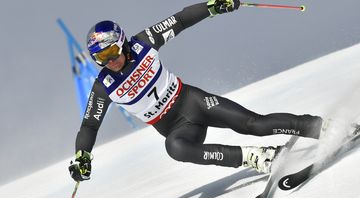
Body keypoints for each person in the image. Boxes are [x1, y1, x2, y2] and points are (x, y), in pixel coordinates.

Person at [68, 0, 324, 182]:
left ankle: (322, 127)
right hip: (178, 128)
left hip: (192, 102)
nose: (109, 61)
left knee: (253, 124)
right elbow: (90, 126)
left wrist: (212, 7)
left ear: (122, 43)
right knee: (175, 148)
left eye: (111, 51)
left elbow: (179, 20)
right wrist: (82, 156)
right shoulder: (104, 86)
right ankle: (258, 157)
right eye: (100, 57)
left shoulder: (143, 43)